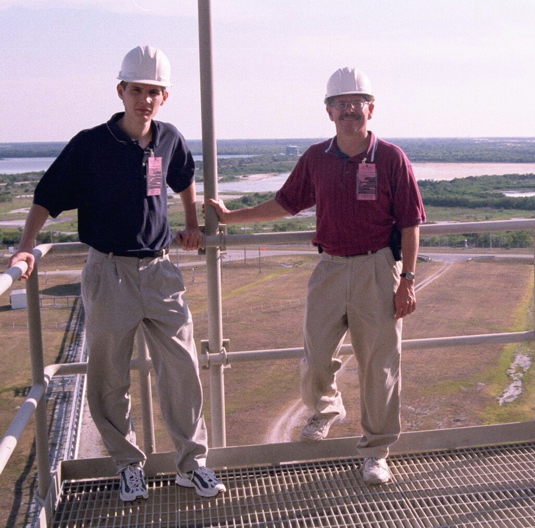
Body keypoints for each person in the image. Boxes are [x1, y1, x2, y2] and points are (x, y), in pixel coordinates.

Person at [8, 46, 226, 502]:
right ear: (121, 91)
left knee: (182, 368)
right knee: (110, 377)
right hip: (109, 272)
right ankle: (128, 465)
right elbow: (47, 197)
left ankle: (192, 464)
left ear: (164, 96)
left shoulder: (168, 138)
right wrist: (26, 246)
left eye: (153, 92)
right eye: (137, 90)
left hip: (160, 272)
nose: (145, 99)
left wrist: (188, 222)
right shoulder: (91, 144)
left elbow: (183, 177)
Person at [206, 67, 426, 485]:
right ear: (328, 112)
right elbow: (286, 203)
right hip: (328, 267)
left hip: (376, 268)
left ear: (371, 109)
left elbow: (411, 224)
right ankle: (326, 408)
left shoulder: (391, 158)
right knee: (315, 357)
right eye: (340, 104)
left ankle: (376, 451)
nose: (349, 111)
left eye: (356, 104)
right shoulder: (315, 158)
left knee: (380, 366)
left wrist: (407, 279)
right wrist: (234, 217)